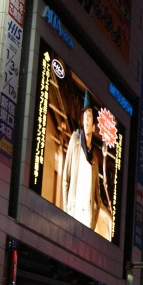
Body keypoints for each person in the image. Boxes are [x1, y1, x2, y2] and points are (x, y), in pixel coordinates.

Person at [61, 91, 111, 235]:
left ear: (94, 126)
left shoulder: (95, 160)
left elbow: (98, 198)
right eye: (85, 116)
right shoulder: (75, 141)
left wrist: (93, 223)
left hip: (86, 222)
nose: (87, 120)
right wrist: (66, 210)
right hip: (73, 213)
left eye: (89, 117)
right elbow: (66, 178)